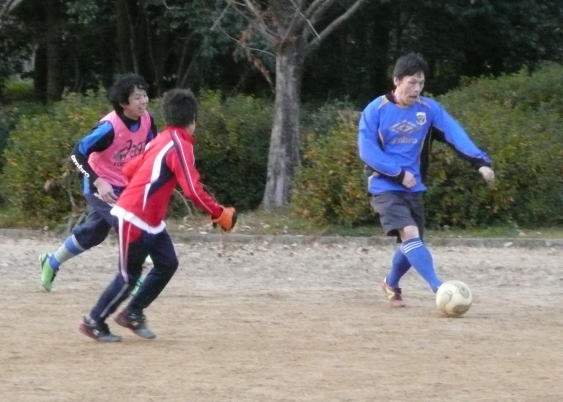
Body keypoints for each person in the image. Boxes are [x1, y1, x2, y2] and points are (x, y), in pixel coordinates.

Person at [79, 88, 236, 342]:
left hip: (149, 219)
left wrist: (142, 191)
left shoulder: (161, 138)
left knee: (167, 263)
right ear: (193, 120)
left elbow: (130, 168)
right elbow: (192, 190)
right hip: (135, 218)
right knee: (129, 277)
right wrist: (219, 213)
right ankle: (93, 321)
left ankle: (132, 312)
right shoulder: (181, 145)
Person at [358, 52, 495, 307]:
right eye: (412, 82)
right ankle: (439, 288)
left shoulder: (428, 109)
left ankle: (390, 283)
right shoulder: (376, 109)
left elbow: (455, 133)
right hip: (384, 185)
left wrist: (480, 161)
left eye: (421, 83)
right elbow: (367, 151)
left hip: (414, 188)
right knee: (409, 234)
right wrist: (398, 174)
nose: (417, 88)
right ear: (397, 80)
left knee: (412, 243)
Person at [39, 73, 157, 292]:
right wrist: (99, 181)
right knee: (126, 223)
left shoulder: (147, 120)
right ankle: (131, 278)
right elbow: (76, 154)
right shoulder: (108, 128)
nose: (143, 101)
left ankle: (52, 262)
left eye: (144, 95)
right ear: (123, 103)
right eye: (137, 98)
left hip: (126, 184)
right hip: (100, 185)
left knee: (93, 234)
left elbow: (151, 149)